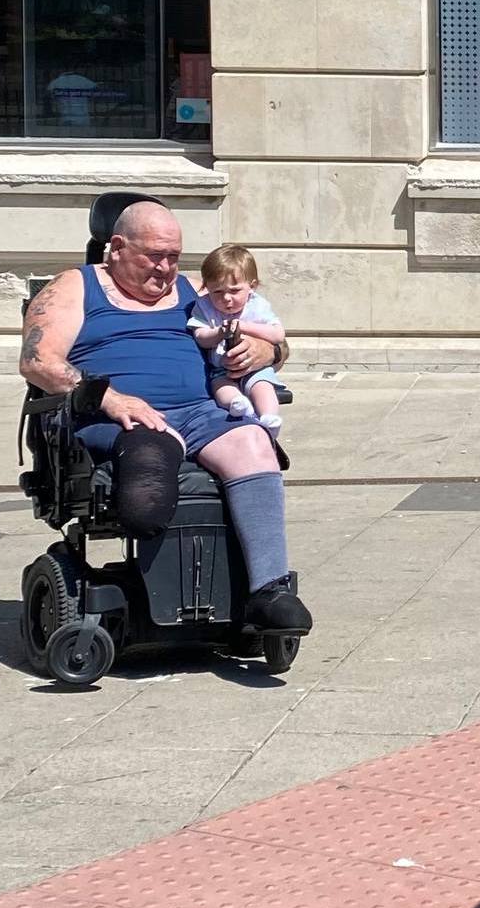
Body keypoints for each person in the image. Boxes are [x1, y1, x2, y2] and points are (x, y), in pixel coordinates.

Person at [18, 199, 312, 635]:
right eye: (154, 256)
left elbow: (272, 337)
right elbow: (38, 361)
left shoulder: (198, 290)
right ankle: (156, 589)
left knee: (253, 442)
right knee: (146, 491)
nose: (165, 268)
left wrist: (267, 351)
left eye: (174, 257)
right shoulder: (75, 287)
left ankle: (270, 591)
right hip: (121, 419)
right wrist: (111, 399)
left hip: (202, 411)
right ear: (116, 247)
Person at [189, 243, 287, 432]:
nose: (226, 298)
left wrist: (245, 327)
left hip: (255, 368)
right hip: (221, 369)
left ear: (252, 286)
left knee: (262, 386)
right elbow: (200, 336)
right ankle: (241, 407)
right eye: (217, 292)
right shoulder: (204, 306)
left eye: (234, 291)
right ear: (206, 288)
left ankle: (270, 418)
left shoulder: (257, 306)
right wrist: (218, 332)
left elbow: (278, 334)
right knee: (220, 388)